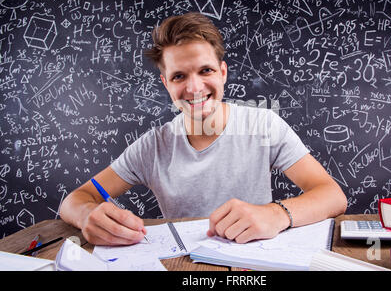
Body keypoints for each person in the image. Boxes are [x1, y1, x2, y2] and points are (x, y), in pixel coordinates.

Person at [60, 12, 347, 246]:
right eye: (179, 76)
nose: (194, 87)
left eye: (205, 71)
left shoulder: (264, 126)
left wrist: (276, 214)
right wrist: (88, 215)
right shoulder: (152, 147)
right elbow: (76, 199)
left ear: (223, 73)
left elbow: (332, 195)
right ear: (166, 84)